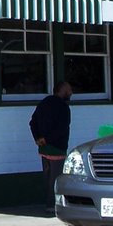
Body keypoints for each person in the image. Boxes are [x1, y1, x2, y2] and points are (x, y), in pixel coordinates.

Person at [29, 80, 72, 212]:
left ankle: (48, 203)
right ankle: (53, 205)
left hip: (43, 148)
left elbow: (32, 122)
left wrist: (38, 138)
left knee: (47, 177)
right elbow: (62, 129)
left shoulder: (44, 103)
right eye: (69, 90)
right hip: (57, 148)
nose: (71, 93)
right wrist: (47, 139)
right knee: (56, 178)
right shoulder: (64, 107)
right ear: (62, 90)